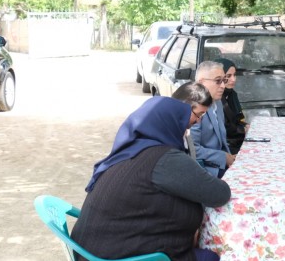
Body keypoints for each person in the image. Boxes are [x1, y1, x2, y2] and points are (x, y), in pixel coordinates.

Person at [71, 87, 230, 261]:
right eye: (188, 119)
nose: (194, 124)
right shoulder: (164, 158)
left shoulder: (129, 151)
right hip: (114, 255)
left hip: (91, 251)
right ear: (171, 122)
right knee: (211, 257)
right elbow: (219, 194)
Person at [191, 61, 235, 178]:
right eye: (218, 81)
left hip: (221, 165)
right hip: (205, 170)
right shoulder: (194, 107)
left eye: (223, 81)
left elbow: (222, 142)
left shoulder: (218, 102)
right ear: (201, 82)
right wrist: (223, 157)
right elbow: (192, 149)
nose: (223, 86)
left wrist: (231, 158)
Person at [214, 58, 248, 155]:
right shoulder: (216, 97)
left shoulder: (232, 94)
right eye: (228, 76)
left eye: (234, 75)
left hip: (236, 140)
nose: (233, 79)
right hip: (225, 147)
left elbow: (237, 119)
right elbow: (223, 127)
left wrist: (245, 125)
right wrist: (243, 130)